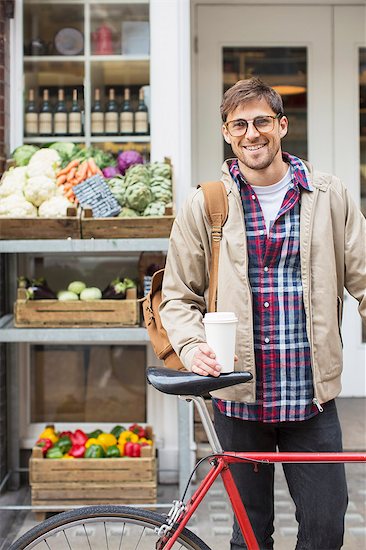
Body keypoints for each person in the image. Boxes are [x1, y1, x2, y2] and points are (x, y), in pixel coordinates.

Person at [159, 77, 366, 550]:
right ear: (228, 134)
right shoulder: (206, 204)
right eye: (240, 125)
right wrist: (191, 347)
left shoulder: (329, 196)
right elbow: (177, 295)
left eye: (262, 121)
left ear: (282, 125)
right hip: (237, 395)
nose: (252, 133)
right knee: (251, 535)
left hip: (308, 396)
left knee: (326, 530)